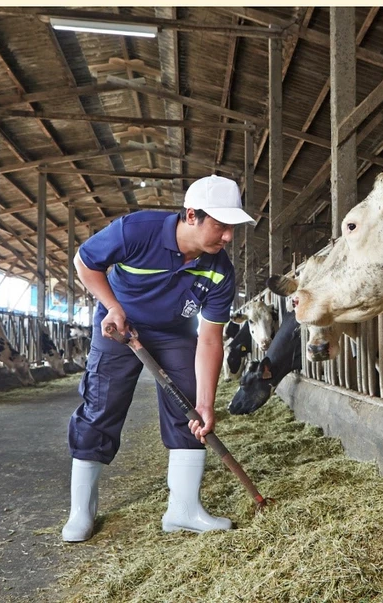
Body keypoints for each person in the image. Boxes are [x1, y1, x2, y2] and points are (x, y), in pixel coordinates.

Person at [62, 175, 255, 542]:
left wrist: (206, 403)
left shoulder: (220, 270)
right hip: (119, 327)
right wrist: (113, 307)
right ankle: (81, 513)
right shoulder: (137, 230)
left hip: (175, 335)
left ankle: (183, 511)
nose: (228, 237)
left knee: (189, 412)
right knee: (101, 406)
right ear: (192, 215)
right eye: (221, 226)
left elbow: (211, 339)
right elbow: (85, 262)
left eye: (232, 227)